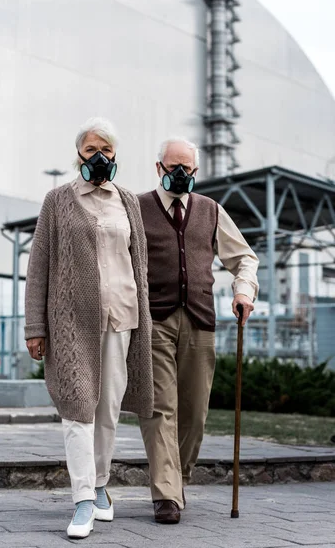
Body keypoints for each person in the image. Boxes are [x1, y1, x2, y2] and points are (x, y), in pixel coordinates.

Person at [24, 117, 153, 539]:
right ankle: (81, 499)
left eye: (107, 151)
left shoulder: (129, 201)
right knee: (78, 405)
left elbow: (140, 265)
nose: (99, 157)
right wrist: (35, 327)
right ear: (78, 154)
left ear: (116, 156)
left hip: (123, 316)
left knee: (108, 410)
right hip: (71, 323)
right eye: (91, 149)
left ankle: (100, 486)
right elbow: (38, 266)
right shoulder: (57, 200)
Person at [138, 138, 259, 524]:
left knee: (195, 412)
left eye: (187, 168)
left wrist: (243, 291)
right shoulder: (137, 208)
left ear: (195, 171)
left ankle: (178, 478)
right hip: (154, 321)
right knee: (160, 408)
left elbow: (244, 258)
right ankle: (167, 493)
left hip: (201, 320)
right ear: (158, 168)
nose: (180, 174)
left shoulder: (211, 211)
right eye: (173, 166)